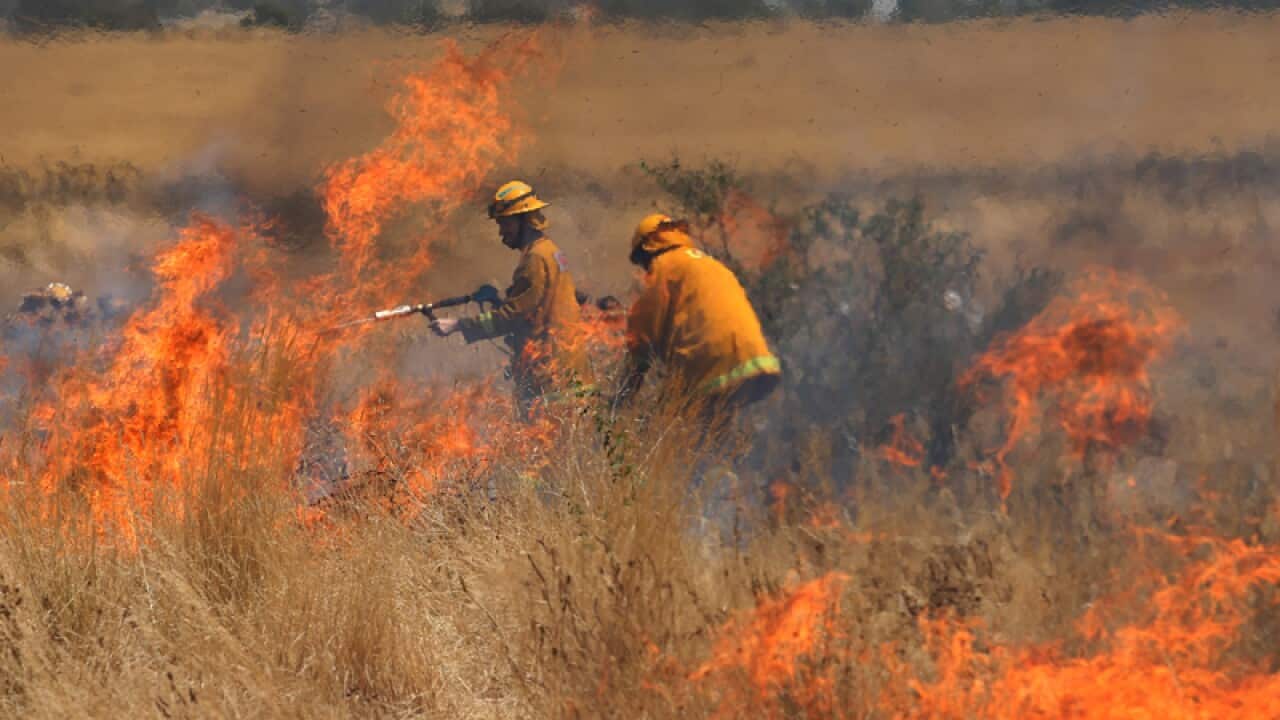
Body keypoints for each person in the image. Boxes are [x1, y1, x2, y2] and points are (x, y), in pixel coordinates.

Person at [430, 181, 588, 416]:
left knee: (541, 447)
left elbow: (513, 317)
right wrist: (498, 302)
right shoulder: (550, 251)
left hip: (552, 377)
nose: (502, 231)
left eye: (506, 223)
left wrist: (458, 325)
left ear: (525, 219)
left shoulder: (534, 259)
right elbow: (536, 307)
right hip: (570, 371)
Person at [617, 213, 781, 429]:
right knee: (714, 433)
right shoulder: (707, 263)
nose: (644, 269)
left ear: (647, 249)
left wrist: (623, 396)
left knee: (670, 432)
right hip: (753, 358)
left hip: (711, 359)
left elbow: (643, 335)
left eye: (641, 262)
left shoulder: (665, 266)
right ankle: (722, 461)